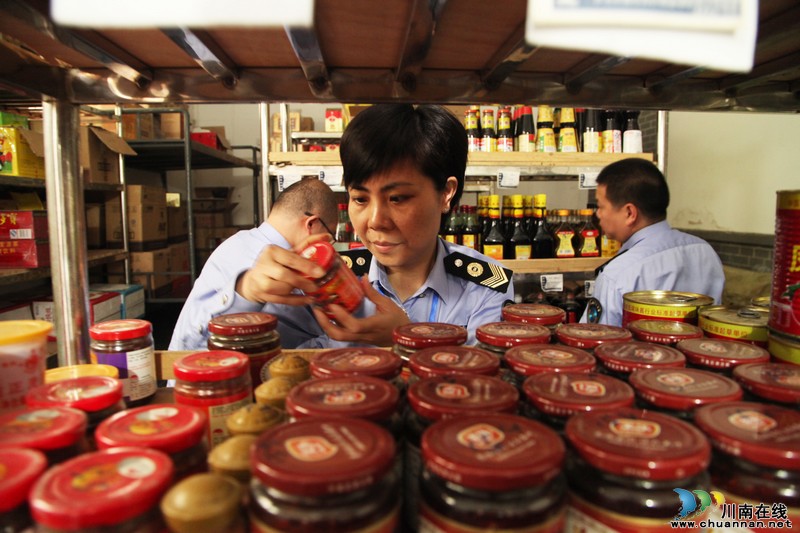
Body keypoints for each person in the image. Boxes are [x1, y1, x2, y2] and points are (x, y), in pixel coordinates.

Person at [169, 177, 338, 350]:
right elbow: (197, 347)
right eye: (329, 239)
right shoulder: (266, 269)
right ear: (312, 224)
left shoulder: (238, 242)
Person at [580, 158, 725, 326]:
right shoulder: (705, 251)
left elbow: (597, 339)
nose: (598, 214)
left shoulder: (618, 274)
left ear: (629, 213)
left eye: (601, 206)